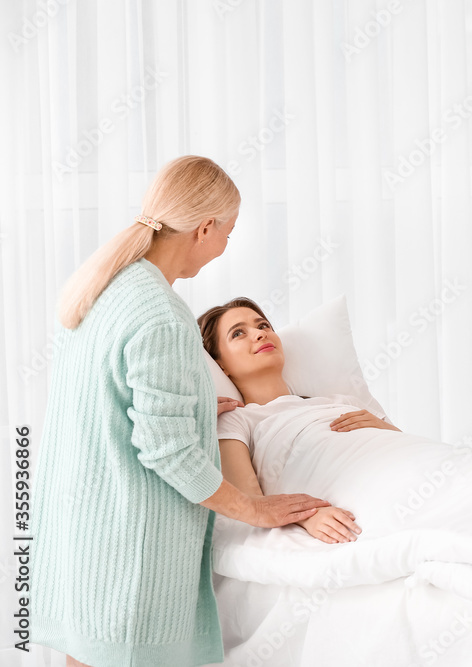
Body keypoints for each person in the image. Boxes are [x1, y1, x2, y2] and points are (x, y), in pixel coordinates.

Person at [33, 156, 331, 667]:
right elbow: (167, 453)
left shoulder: (103, 288)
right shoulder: (161, 315)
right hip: (130, 546)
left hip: (82, 534)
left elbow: (107, 398)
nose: (226, 245)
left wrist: (190, 407)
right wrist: (255, 509)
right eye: (229, 231)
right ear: (206, 227)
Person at [198, 297, 400, 544]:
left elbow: (407, 443)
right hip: (366, 494)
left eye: (263, 326)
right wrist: (305, 515)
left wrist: (383, 427)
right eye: (238, 333)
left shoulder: (343, 401)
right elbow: (249, 504)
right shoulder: (237, 420)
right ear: (220, 365)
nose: (260, 334)